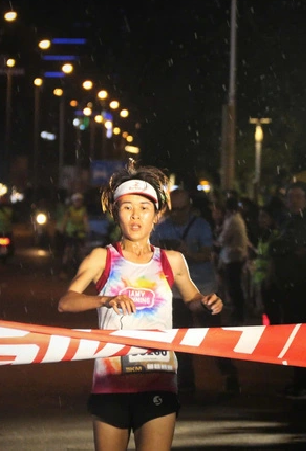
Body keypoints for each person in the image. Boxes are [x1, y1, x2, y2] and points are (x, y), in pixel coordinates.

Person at [58, 161, 223, 451]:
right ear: (116, 213)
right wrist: (105, 300)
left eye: (144, 208)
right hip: (111, 381)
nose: (135, 216)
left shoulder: (172, 261)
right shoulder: (102, 258)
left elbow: (192, 300)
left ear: (157, 215)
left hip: (158, 380)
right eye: (127, 207)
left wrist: (207, 301)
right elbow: (66, 302)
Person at [152, 188, 238, 394]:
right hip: (174, 290)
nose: (178, 214)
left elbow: (206, 255)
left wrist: (185, 253)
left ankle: (230, 375)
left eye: (182, 209)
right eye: (174, 209)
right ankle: (186, 383)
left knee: (214, 336)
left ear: (189, 208)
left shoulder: (201, 226)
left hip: (203, 287)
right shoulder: (162, 228)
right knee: (180, 337)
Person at [269, 181, 306, 400]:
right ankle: (299, 381)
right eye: (290, 196)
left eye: (298, 196)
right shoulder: (288, 222)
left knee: (304, 335)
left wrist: (283, 247)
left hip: (305, 287)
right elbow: (278, 247)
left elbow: (291, 248)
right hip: (289, 287)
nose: (293, 200)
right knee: (294, 335)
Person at [215, 196, 249, 326]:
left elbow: (223, 239)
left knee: (234, 287)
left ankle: (238, 313)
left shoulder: (233, 220)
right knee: (235, 286)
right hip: (235, 256)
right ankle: (238, 312)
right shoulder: (237, 219)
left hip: (233, 257)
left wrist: (216, 242)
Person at [59, 193, 90, 277]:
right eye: (76, 201)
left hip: (80, 233)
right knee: (68, 251)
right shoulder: (70, 210)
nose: (78, 203)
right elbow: (65, 220)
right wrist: (62, 228)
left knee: (81, 252)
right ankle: (64, 270)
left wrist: (87, 229)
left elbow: (85, 220)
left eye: (79, 201)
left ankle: (82, 270)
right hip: (70, 233)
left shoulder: (83, 210)